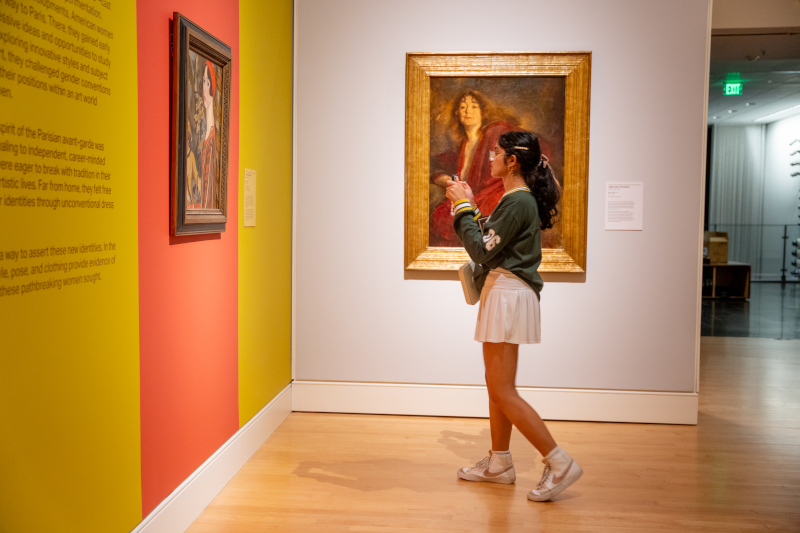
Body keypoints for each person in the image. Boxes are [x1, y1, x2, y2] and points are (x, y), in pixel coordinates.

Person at [444, 130, 582, 502]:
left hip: (507, 294)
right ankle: (500, 463)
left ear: (512, 161)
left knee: (502, 389)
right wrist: (471, 207)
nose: (490, 158)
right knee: (497, 386)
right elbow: (491, 241)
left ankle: (559, 461)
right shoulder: (516, 200)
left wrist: (461, 207)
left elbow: (481, 249)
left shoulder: (518, 201)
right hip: (504, 293)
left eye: (496, 153)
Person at [429, 89, 520, 246]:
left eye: (474, 106)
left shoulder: (495, 133)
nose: (468, 111)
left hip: (492, 196)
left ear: (482, 112)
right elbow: (435, 166)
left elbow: (529, 146)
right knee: (439, 216)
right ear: (457, 113)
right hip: (471, 200)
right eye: (463, 107)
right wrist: (443, 179)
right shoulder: (460, 146)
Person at [188, 61, 218, 210]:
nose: (204, 89)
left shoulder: (213, 138)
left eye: (207, 83)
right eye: (203, 83)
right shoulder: (205, 136)